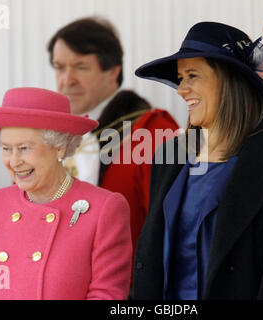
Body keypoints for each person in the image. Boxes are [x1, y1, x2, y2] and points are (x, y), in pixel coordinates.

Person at [132, 21, 263, 300]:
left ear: (230, 80)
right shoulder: (169, 158)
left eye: (193, 75)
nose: (181, 90)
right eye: (181, 78)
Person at [0, 87, 132, 300]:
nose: (14, 161)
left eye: (24, 148)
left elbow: (106, 296)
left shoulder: (103, 209)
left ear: (59, 148)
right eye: (7, 149)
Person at [47, 17, 179, 266]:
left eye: (80, 67)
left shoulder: (152, 132)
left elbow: (173, 231)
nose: (67, 79)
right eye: (59, 67)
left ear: (113, 72)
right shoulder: (49, 137)